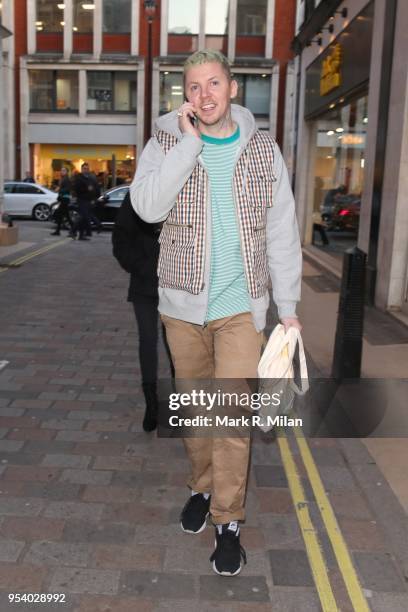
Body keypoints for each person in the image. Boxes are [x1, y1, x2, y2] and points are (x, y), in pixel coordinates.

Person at [130, 49, 302, 577]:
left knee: (229, 417)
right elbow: (148, 208)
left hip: (240, 311)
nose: (205, 95)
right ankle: (201, 487)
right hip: (182, 308)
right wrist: (189, 145)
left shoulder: (262, 150)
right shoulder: (164, 142)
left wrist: (289, 308)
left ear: (232, 88)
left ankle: (228, 521)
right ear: (186, 96)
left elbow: (282, 230)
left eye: (214, 84)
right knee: (198, 414)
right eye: (195, 87)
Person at [112, 192, 168, 432]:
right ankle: (151, 403)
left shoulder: (185, 188)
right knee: (148, 340)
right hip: (144, 284)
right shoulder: (136, 195)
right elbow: (120, 240)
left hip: (178, 285)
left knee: (179, 343)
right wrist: (142, 266)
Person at [72, 162, 100, 241]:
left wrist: (94, 198)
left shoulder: (90, 178)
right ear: (82, 169)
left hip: (88, 201)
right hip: (81, 200)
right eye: (84, 169)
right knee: (83, 217)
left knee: (84, 219)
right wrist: (87, 189)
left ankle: (81, 235)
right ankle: (73, 231)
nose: (86, 170)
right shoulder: (79, 177)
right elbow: (76, 189)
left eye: (87, 169)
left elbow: (94, 189)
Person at [51, 167, 76, 237]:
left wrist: (59, 189)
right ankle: (58, 231)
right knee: (62, 216)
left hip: (65, 200)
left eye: (63, 170)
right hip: (63, 199)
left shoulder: (67, 179)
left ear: (67, 172)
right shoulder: (63, 179)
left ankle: (73, 231)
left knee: (64, 216)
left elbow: (67, 189)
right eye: (61, 170)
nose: (62, 171)